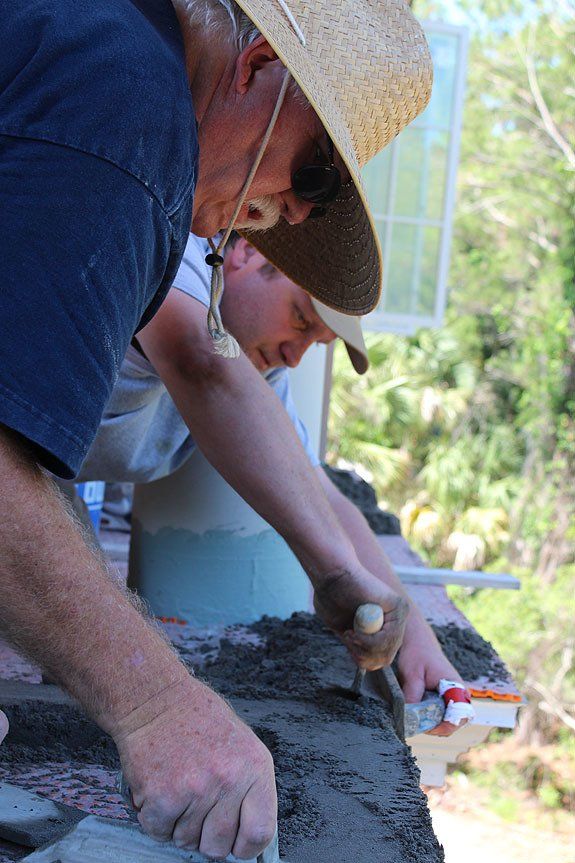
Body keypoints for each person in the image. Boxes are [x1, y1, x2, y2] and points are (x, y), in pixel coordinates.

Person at [0, 0, 433, 857]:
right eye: (314, 176)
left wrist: (348, 572)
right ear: (259, 65)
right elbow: (205, 371)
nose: (294, 214)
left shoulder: (95, 47)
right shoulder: (128, 107)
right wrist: (159, 706)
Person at [75, 232, 469, 732]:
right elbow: (204, 368)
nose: (294, 356)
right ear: (246, 252)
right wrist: (334, 573)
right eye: (300, 319)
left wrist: (415, 641)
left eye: (314, 343)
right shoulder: (169, 259)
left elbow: (320, 497)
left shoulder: (257, 371)